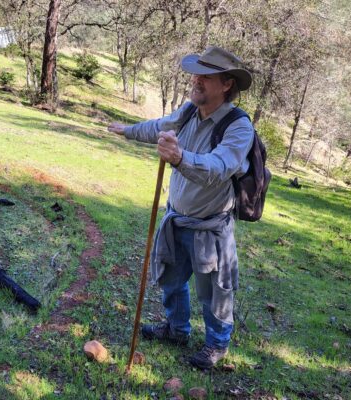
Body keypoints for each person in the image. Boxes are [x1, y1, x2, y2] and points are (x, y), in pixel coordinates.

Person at [108, 46, 254, 369]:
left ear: (226, 84)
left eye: (206, 75)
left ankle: (216, 346)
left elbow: (219, 167)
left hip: (210, 228)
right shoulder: (189, 112)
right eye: (196, 73)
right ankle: (176, 330)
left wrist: (179, 158)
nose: (196, 80)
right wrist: (128, 131)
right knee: (171, 280)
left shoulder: (239, 127)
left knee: (214, 291)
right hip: (177, 221)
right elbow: (161, 126)